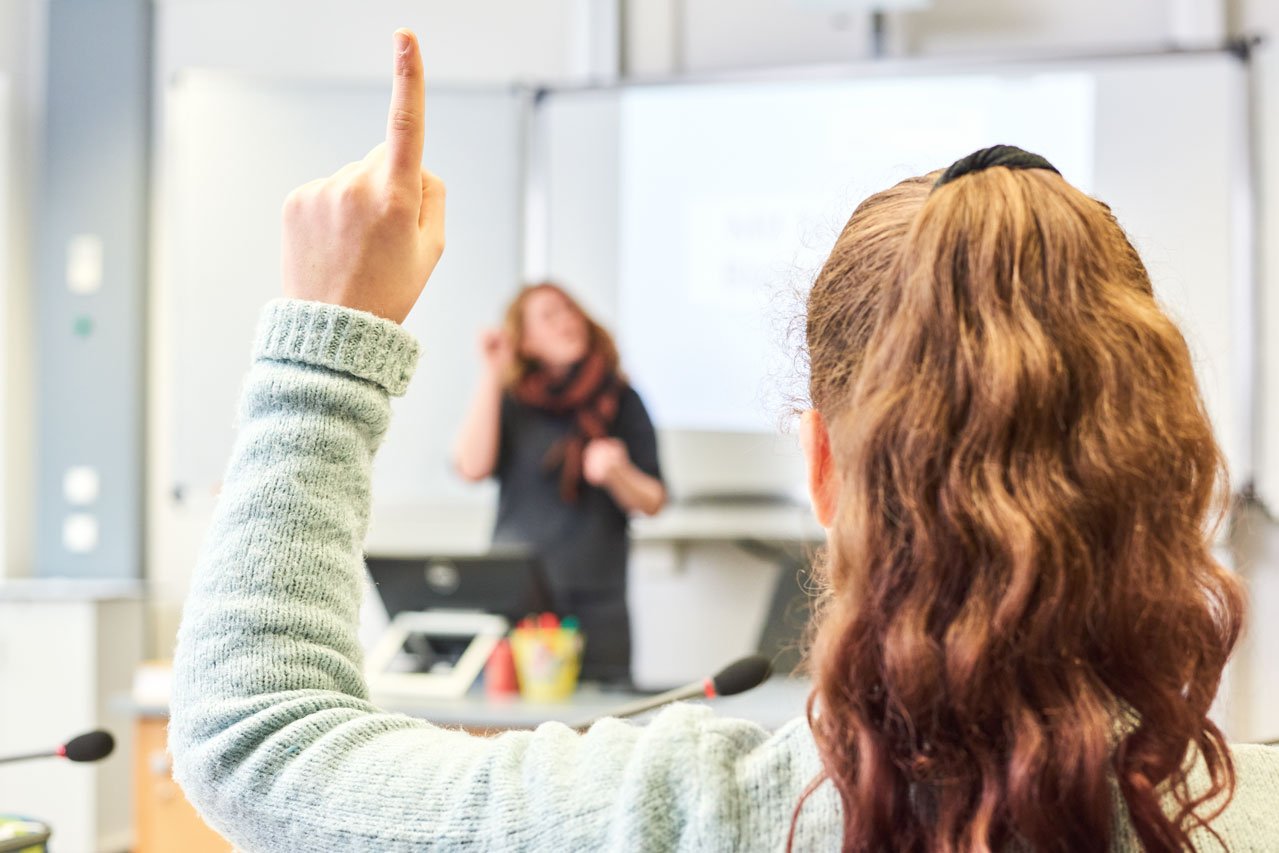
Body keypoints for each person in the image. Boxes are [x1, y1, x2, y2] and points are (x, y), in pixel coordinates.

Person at [170, 29, 1279, 852]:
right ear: (1160, 463)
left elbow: (260, 747)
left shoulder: (679, 810)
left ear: (821, 466)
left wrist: (333, 337)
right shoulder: (1250, 815)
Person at [453, 281, 665, 684]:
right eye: (549, 315)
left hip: (596, 604)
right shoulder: (511, 399)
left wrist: (619, 474)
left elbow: (654, 500)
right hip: (518, 599)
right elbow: (472, 466)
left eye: (569, 310)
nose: (567, 320)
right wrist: (492, 373)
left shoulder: (621, 399)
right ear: (526, 341)